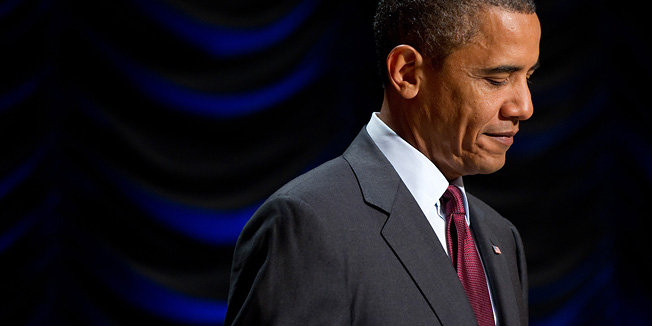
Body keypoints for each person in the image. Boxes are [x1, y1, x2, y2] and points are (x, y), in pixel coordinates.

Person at [225, 0, 540, 325]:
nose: (524, 107)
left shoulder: (501, 237)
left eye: (528, 76)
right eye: (498, 79)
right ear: (406, 73)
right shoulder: (309, 226)